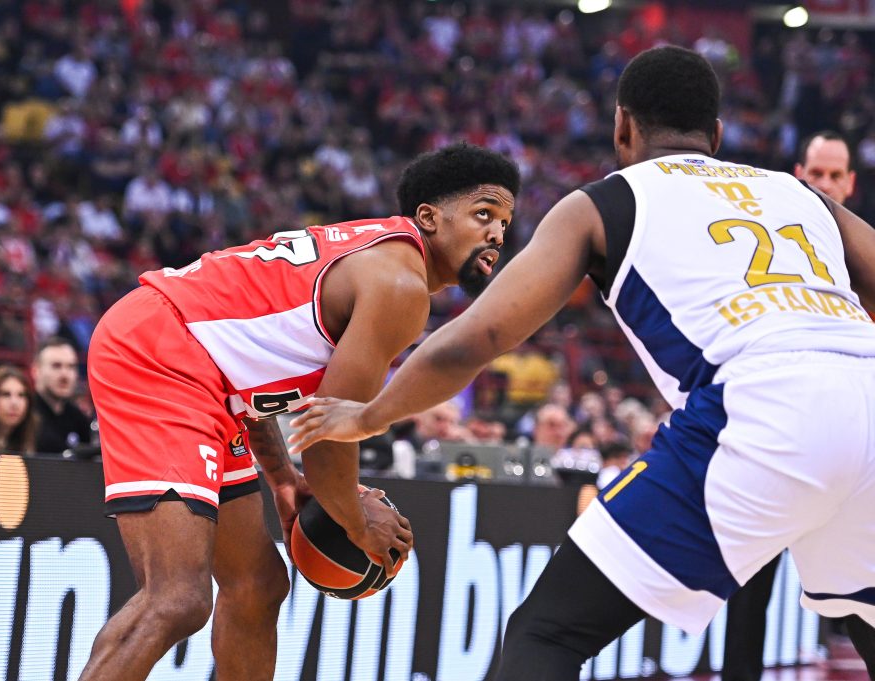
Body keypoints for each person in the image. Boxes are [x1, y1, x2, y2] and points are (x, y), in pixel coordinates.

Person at [289, 46, 875, 680]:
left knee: (547, 633)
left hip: (760, 403)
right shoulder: (800, 195)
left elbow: (478, 337)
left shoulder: (603, 203)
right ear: (717, 134)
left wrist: (370, 415)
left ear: (622, 126)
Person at [79, 143, 520, 681]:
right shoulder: (400, 285)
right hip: (160, 351)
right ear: (429, 217)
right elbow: (330, 440)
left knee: (259, 585)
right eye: (483, 214)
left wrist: (284, 481)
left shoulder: (381, 256)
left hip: (207, 374)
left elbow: (249, 375)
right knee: (177, 599)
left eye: (504, 222)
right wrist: (357, 525)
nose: (498, 234)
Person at [722, 128, 860, 681]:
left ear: (851, 182)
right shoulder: (773, 245)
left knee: (859, 594)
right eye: (816, 173)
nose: (825, 183)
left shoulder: (866, 251)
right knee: (750, 587)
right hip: (779, 429)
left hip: (852, 438)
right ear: (799, 175)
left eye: (834, 174)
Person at [31, 337, 93, 455]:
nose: (65, 375)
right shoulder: (23, 416)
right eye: (56, 366)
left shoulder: (79, 419)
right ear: (36, 370)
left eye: (71, 367)